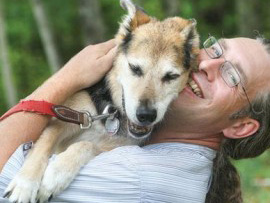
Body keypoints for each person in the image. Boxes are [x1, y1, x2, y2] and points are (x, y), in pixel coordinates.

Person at [0, 35, 270, 203]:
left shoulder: (141, 179)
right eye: (216, 50)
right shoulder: (154, 148)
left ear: (241, 126)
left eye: (233, 75)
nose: (206, 65)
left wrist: (67, 77)